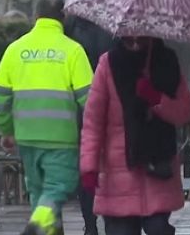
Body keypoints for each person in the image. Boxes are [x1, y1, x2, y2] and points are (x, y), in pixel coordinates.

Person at [0, 0, 94, 235]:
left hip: (26, 138)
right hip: (61, 139)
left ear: (35, 17)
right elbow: (91, 100)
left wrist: (6, 130)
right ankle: (37, 225)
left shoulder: (15, 50)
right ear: (63, 18)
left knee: (39, 192)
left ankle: (43, 223)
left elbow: (0, 96)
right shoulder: (73, 51)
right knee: (58, 188)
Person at [80, 36, 190, 235]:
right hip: (118, 175)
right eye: (129, 39)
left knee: (157, 228)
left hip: (158, 169)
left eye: (140, 38)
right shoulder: (109, 64)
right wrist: (89, 166)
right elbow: (93, 121)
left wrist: (157, 99)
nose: (134, 43)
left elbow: (183, 112)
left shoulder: (166, 61)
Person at [64, 16, 117, 235]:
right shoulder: (113, 28)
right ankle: (112, 219)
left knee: (87, 166)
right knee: (112, 166)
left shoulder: (72, 28)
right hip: (110, 103)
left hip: (80, 105)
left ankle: (90, 223)